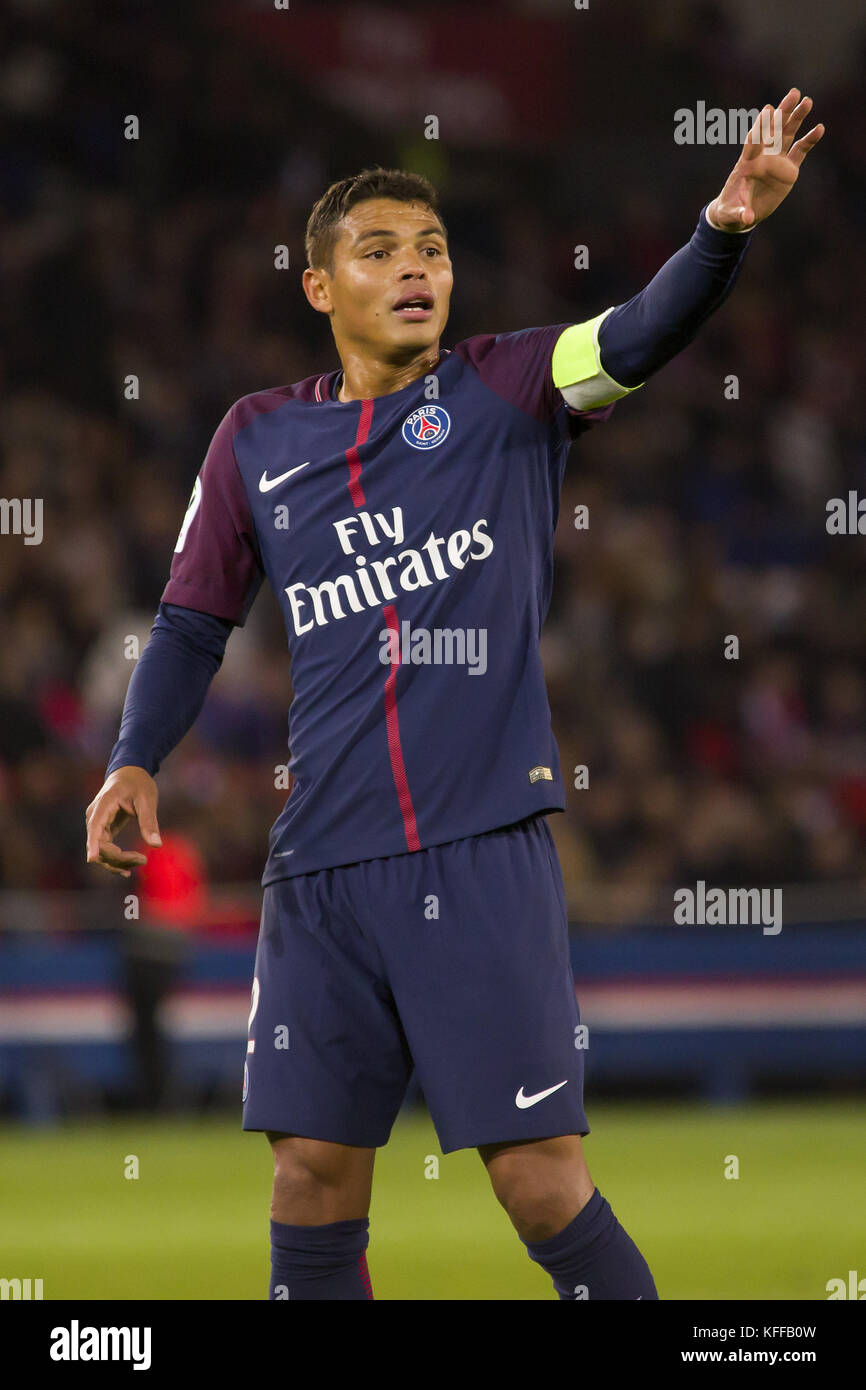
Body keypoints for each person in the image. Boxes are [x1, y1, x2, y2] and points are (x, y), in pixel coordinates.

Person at [85, 90, 823, 1300]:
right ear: (319, 288)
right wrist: (133, 756)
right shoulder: (254, 440)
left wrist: (723, 227)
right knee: (311, 1179)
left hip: (472, 845)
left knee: (537, 1177)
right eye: (377, 252)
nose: (416, 270)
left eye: (430, 250)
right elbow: (189, 619)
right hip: (317, 862)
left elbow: (637, 332)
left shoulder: (511, 388)